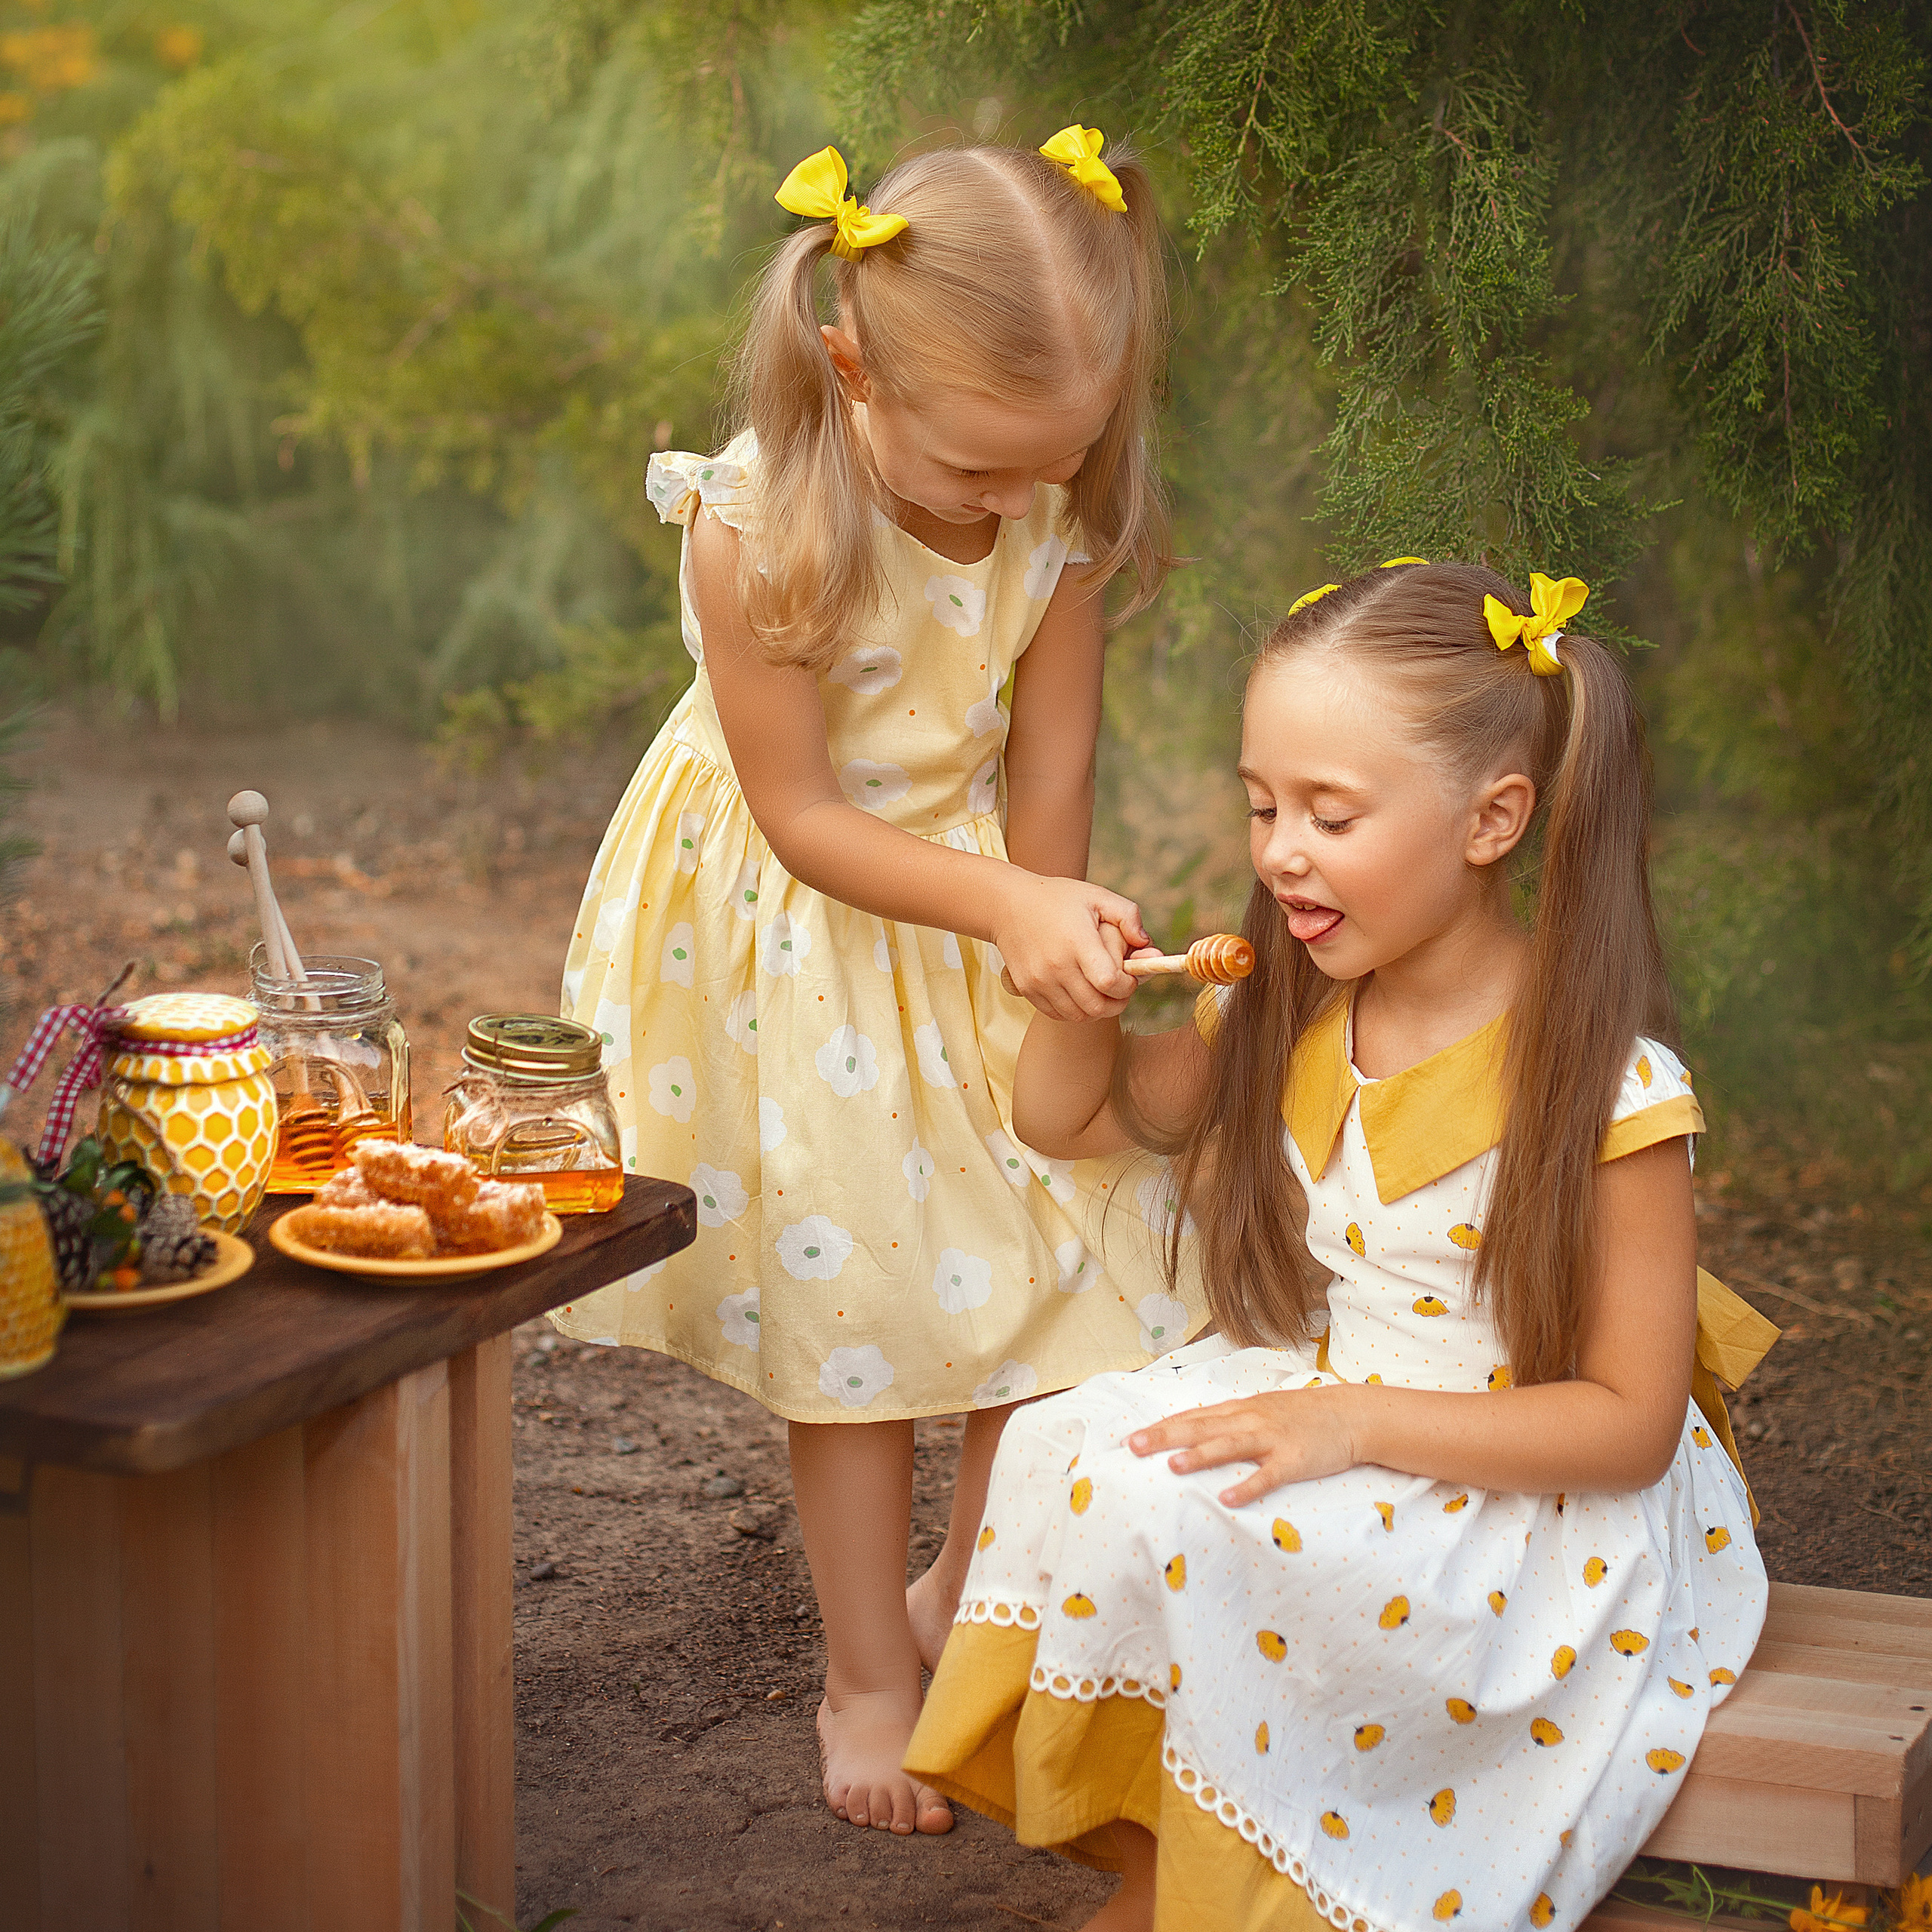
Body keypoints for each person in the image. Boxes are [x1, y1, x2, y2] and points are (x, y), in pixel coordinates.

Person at [904, 561, 1777, 1930]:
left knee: (1208, 1517)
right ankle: (1167, 1870)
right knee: (1078, 1450)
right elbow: (1069, 1117)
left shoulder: (1605, 1087)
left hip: (1523, 1491)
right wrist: (1081, 989)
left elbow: (1627, 1428)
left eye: (1332, 813)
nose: (1278, 852)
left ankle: (1277, 1880)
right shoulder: (1296, 1018)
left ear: (1493, 821)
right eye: (1261, 804)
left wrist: (1350, 1427)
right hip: (1346, 1405)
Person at [555, 128, 1204, 1839]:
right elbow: (804, 814)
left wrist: (1057, 939)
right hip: (805, 928)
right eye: (982, 466)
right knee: (860, 1310)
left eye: (1045, 462)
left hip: (977, 898)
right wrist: (1006, 898)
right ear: (852, 367)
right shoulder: (753, 525)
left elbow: (1049, 774)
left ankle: (952, 1594)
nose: (1010, 500)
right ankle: (864, 1663)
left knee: (1076, 1261)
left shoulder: (1049, 516)